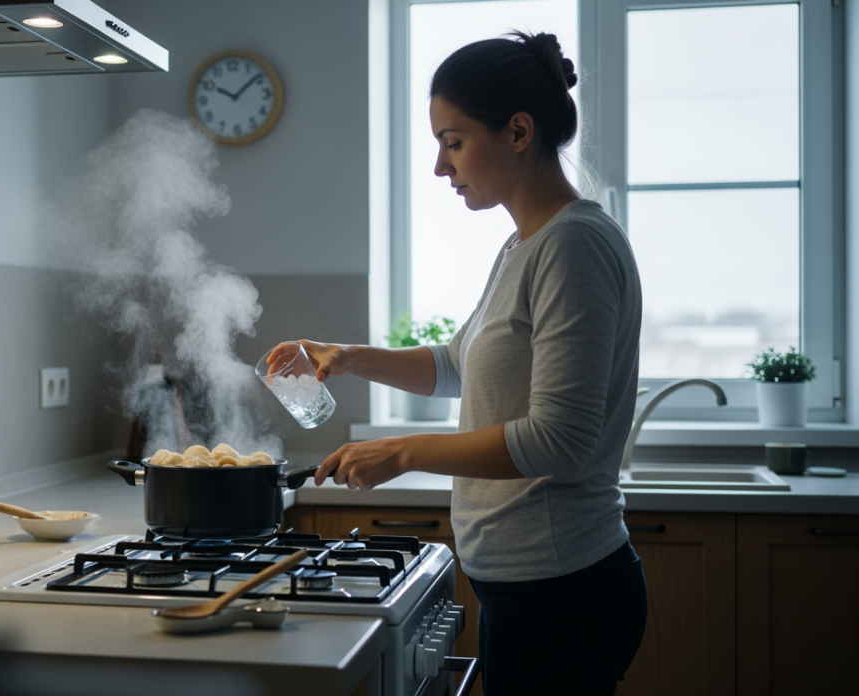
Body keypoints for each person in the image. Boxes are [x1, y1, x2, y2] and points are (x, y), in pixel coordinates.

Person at [269, 32, 647, 696]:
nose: (441, 167)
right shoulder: (524, 246)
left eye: (453, 140)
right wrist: (348, 357)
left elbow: (560, 437)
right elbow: (455, 366)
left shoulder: (573, 246)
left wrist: (406, 452)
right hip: (526, 586)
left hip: (563, 592)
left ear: (519, 131)